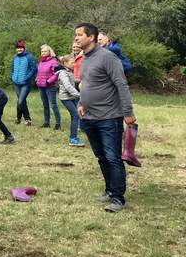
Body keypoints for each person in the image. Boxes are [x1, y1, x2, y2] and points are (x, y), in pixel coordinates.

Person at [76, 22, 136, 213]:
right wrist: (80, 103)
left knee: (112, 158)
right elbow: (86, 85)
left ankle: (118, 198)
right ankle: (110, 191)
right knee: (101, 157)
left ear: (91, 37)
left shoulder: (108, 57)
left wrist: (127, 112)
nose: (76, 38)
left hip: (109, 117)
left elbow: (122, 85)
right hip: (89, 117)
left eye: (79, 35)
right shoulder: (84, 58)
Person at [56, 54, 84, 147]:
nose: (74, 64)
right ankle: (73, 139)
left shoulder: (69, 71)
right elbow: (67, 86)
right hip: (66, 98)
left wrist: (83, 79)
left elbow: (73, 80)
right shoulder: (63, 73)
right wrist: (78, 94)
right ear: (65, 63)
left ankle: (77, 133)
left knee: (78, 114)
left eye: (74, 62)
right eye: (72, 62)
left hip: (72, 97)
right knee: (75, 115)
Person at [10, 41, 36, 126]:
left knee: (20, 101)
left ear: (24, 49)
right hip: (16, 83)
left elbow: (34, 69)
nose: (19, 49)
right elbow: (12, 68)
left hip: (26, 83)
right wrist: (12, 76)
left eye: (21, 48)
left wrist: (27, 78)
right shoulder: (14, 57)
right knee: (22, 101)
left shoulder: (29, 57)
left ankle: (18, 118)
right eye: (18, 48)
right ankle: (27, 119)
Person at [35, 44, 61, 130]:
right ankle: (46, 122)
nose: (43, 53)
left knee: (53, 105)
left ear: (49, 52)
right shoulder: (41, 61)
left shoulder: (54, 61)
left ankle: (58, 123)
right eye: (42, 51)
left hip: (50, 86)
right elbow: (39, 72)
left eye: (45, 51)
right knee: (45, 105)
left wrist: (48, 81)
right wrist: (36, 80)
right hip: (41, 86)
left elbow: (57, 73)